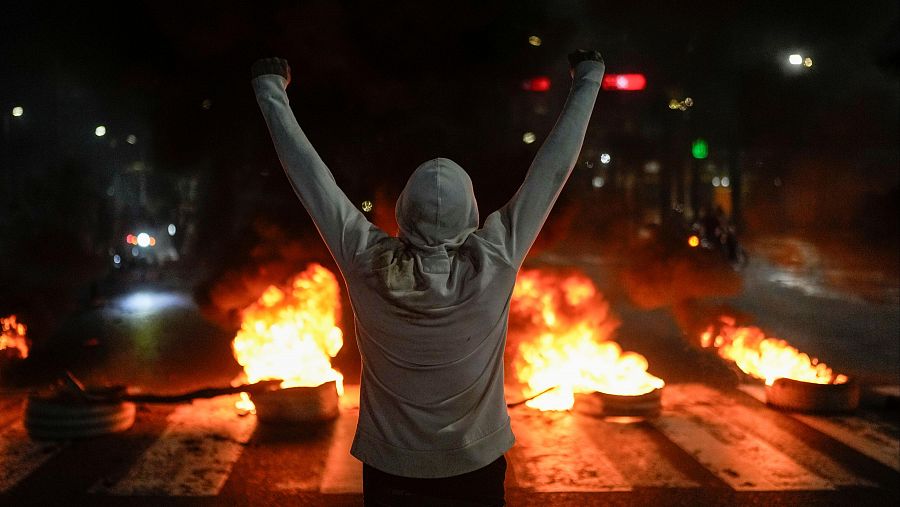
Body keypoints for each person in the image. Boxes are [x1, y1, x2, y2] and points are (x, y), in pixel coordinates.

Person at [251, 50, 604, 506]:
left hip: (391, 471)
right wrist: (588, 81)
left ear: (403, 211)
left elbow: (312, 180)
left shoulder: (366, 260)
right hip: (475, 469)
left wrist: (269, 91)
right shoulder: (494, 258)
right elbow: (551, 172)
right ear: (471, 211)